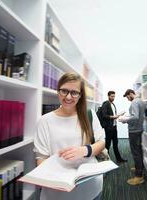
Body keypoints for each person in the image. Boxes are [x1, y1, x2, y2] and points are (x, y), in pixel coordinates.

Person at [33, 72, 105, 200]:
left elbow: (101, 143)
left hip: (91, 189)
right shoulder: (45, 121)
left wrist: (84, 150)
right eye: (64, 91)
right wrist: (55, 180)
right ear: (58, 91)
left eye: (74, 92)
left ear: (80, 95)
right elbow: (41, 158)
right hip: (57, 193)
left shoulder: (89, 115)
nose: (68, 97)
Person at [119, 89, 145, 186]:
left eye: (127, 97)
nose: (127, 99)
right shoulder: (141, 101)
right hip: (140, 129)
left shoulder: (134, 102)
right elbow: (138, 116)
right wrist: (129, 117)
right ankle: (140, 168)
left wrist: (125, 119)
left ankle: (139, 177)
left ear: (130, 94)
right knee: (139, 151)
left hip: (134, 131)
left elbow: (135, 117)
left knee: (136, 152)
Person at [101, 91, 127, 163]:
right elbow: (104, 116)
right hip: (109, 128)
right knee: (108, 145)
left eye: (114, 96)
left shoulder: (113, 104)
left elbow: (113, 115)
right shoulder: (106, 104)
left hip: (114, 127)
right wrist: (113, 117)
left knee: (115, 144)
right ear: (108, 96)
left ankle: (119, 159)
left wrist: (118, 115)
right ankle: (106, 160)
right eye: (112, 96)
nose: (113, 98)